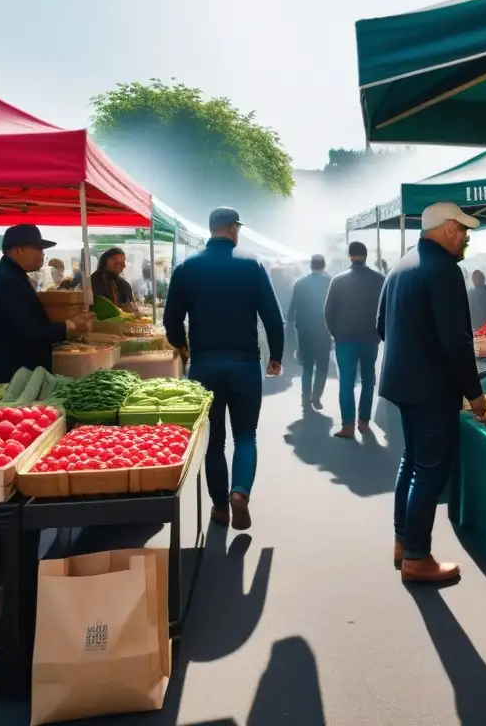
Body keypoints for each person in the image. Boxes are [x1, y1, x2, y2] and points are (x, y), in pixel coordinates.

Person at [378, 202, 486, 583]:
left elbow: (381, 326)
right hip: (430, 386)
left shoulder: (401, 264)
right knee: (428, 470)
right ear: (448, 230)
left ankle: (403, 541)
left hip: (402, 381)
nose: (466, 238)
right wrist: (474, 394)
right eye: (463, 230)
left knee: (411, 462)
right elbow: (457, 342)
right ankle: (417, 558)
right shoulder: (444, 270)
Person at [164, 207, 284, 530]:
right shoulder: (252, 264)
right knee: (246, 434)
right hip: (245, 363)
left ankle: (219, 507)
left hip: (204, 365)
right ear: (233, 229)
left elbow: (171, 321)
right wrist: (276, 355)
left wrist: (184, 347)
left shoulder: (186, 267)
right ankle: (240, 493)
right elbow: (273, 316)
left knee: (214, 439)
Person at [0, 225, 93, 384]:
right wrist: (70, 325)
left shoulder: (12, 276)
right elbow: (29, 331)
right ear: (19, 250)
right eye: (38, 248)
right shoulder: (6, 281)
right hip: (11, 377)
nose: (43, 254)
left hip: (18, 374)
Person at [324, 241, 386, 439]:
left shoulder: (338, 280)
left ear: (349, 255)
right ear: (366, 256)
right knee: (369, 380)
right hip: (370, 339)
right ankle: (364, 422)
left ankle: (348, 425)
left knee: (347, 382)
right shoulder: (380, 279)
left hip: (345, 340)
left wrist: (335, 334)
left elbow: (328, 311)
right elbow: (386, 310)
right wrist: (379, 335)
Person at [288, 254, 332, 413]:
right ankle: (316, 397)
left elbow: (292, 308)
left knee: (307, 366)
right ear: (324, 265)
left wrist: (292, 330)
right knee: (322, 366)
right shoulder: (330, 282)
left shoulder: (300, 283)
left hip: (304, 330)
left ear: (311, 265)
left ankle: (305, 397)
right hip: (324, 330)